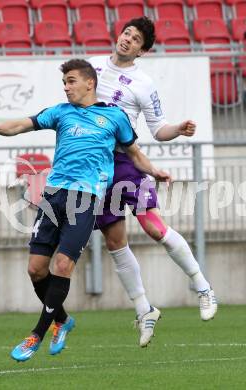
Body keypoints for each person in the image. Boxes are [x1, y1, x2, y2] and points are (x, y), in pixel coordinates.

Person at [0, 59, 170, 362]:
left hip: (86, 198)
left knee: (63, 265)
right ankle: (63, 320)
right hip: (53, 196)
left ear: (89, 83)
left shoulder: (114, 117)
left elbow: (135, 154)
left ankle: (36, 334)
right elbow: (22, 124)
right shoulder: (61, 112)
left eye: (71, 81)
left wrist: (155, 172)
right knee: (36, 269)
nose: (66, 88)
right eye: (64, 82)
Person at [51, 17, 217, 351]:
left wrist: (179, 128)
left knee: (154, 228)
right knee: (115, 242)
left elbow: (158, 129)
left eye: (136, 38)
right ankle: (144, 309)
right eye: (127, 33)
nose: (127, 39)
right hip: (96, 168)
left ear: (142, 50)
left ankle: (203, 287)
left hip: (126, 161)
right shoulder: (93, 67)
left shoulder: (143, 84)